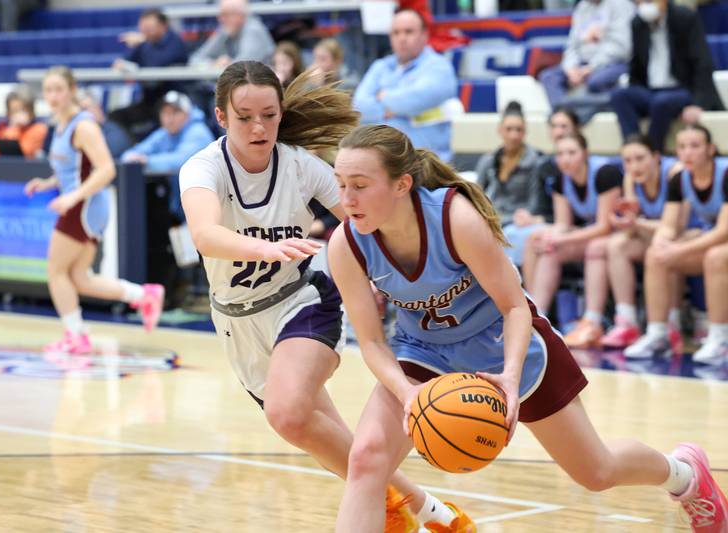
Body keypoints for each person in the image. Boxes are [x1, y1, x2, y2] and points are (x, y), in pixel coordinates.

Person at [327, 123, 728, 533]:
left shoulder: (454, 219)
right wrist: (407, 392)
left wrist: (511, 377)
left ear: (401, 184)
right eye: (340, 184)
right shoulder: (347, 244)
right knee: (367, 458)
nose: (346, 199)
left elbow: (514, 305)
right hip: (425, 350)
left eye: (359, 185)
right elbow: (373, 342)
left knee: (596, 471)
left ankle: (685, 476)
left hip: (504, 344)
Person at [179, 60, 473, 533]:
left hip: (301, 302)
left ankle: (396, 508)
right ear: (220, 117)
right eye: (245, 117)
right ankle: (429, 511)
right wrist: (265, 247)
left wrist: (414, 269)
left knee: (287, 413)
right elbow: (205, 234)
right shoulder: (203, 169)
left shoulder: (301, 167)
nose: (259, 127)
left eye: (269, 115)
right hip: (236, 322)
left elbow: (366, 219)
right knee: (329, 439)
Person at [23, 66, 164, 354]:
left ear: (72, 90)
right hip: (81, 204)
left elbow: (106, 169)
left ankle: (76, 336)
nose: (53, 96)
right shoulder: (60, 124)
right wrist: (46, 182)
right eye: (48, 90)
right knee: (79, 279)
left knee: (55, 271)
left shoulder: (83, 126)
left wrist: (72, 197)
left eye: (59, 89)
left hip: (84, 206)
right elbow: (70, 170)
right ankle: (144, 294)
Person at [624, 124, 728, 361]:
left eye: (694, 146)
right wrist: (662, 245)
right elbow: (669, 226)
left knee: (716, 256)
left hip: (721, 241)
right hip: (712, 242)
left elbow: (723, 231)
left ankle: (721, 338)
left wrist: (678, 249)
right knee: (655, 255)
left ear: (710, 149)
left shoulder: (725, 173)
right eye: (682, 147)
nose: (687, 152)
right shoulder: (680, 179)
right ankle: (659, 334)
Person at [563, 135, 677, 349]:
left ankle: (671, 323)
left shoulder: (673, 174)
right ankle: (623, 321)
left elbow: (674, 229)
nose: (634, 165)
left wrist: (636, 223)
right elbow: (637, 224)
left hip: (686, 237)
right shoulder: (630, 178)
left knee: (661, 250)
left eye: (640, 158)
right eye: (628, 160)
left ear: (656, 157)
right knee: (612, 245)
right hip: (652, 237)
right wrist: (629, 222)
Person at [521, 132, 622, 316]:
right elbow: (562, 223)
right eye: (560, 154)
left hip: (615, 233)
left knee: (562, 245)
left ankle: (593, 319)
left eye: (571, 152)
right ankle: (534, 313)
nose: (565, 159)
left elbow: (604, 227)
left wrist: (561, 240)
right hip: (590, 233)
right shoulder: (561, 178)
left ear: (585, 153)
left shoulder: (605, 173)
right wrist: (550, 237)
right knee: (538, 241)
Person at [609, 0, 724, 152]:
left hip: (682, 89)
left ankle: (651, 152)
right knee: (620, 95)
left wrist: (699, 103)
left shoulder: (683, 17)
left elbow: (702, 63)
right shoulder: (637, 23)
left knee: (661, 102)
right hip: (651, 90)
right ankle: (633, 147)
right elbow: (636, 66)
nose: (645, 4)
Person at [353, 8, 458, 162]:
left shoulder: (439, 66)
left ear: (424, 35)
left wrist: (383, 97)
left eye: (408, 32)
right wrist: (392, 109)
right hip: (383, 162)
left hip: (427, 163)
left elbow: (418, 98)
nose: (401, 38)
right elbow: (359, 106)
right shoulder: (380, 66)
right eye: (396, 33)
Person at [121, 90, 214, 222]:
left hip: (205, 207)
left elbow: (182, 161)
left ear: (187, 114)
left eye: (175, 112)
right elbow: (132, 154)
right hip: (183, 207)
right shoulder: (165, 133)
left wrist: (146, 161)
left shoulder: (198, 131)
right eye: (165, 113)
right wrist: (134, 158)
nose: (169, 118)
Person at [538, 0, 633, 121]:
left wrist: (591, 68)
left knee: (596, 81)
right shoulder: (582, 6)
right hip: (581, 64)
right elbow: (572, 45)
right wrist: (570, 68)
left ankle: (567, 113)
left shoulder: (621, 5)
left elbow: (622, 47)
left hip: (613, 64)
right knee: (548, 77)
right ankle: (567, 115)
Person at [475, 101, 544, 266]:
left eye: (518, 130)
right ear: (500, 130)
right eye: (509, 129)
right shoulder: (489, 160)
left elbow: (536, 202)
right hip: (495, 217)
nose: (513, 135)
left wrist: (526, 216)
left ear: (525, 132)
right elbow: (476, 195)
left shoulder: (535, 161)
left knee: (512, 235)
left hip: (519, 219)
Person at [110, 8, 189, 141]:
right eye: (143, 28)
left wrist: (142, 40)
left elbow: (158, 63)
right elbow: (127, 60)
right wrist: (121, 64)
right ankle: (133, 150)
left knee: (163, 118)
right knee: (116, 116)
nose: (145, 32)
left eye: (149, 28)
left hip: (171, 103)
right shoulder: (145, 44)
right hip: (149, 102)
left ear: (163, 26)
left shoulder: (175, 42)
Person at [187, 0, 275, 68]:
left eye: (225, 15)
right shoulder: (225, 30)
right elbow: (195, 60)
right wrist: (213, 63)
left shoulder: (253, 29)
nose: (220, 19)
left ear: (239, 15)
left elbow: (244, 66)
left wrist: (227, 64)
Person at [0, 86, 48, 159]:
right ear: (8, 113)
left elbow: (22, 152)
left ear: (31, 111)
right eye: (14, 111)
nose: (19, 115)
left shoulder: (39, 129)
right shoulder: (2, 128)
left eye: (23, 110)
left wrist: (14, 128)